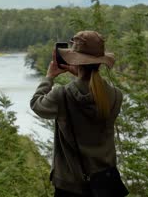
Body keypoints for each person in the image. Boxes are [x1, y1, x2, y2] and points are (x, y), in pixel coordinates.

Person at [30, 31, 124, 196]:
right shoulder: (116, 95)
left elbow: (37, 105)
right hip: (105, 184)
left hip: (70, 185)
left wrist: (49, 77)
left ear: (75, 60)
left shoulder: (62, 95)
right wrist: (81, 75)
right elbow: (93, 93)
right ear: (100, 61)